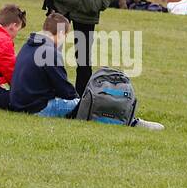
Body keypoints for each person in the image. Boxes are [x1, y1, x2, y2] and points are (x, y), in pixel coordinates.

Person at [11, 12, 165, 129]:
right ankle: (131, 122)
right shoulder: (49, 52)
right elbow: (65, 90)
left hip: (20, 104)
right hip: (36, 108)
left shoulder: (29, 45)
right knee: (89, 103)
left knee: (80, 104)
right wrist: (82, 100)